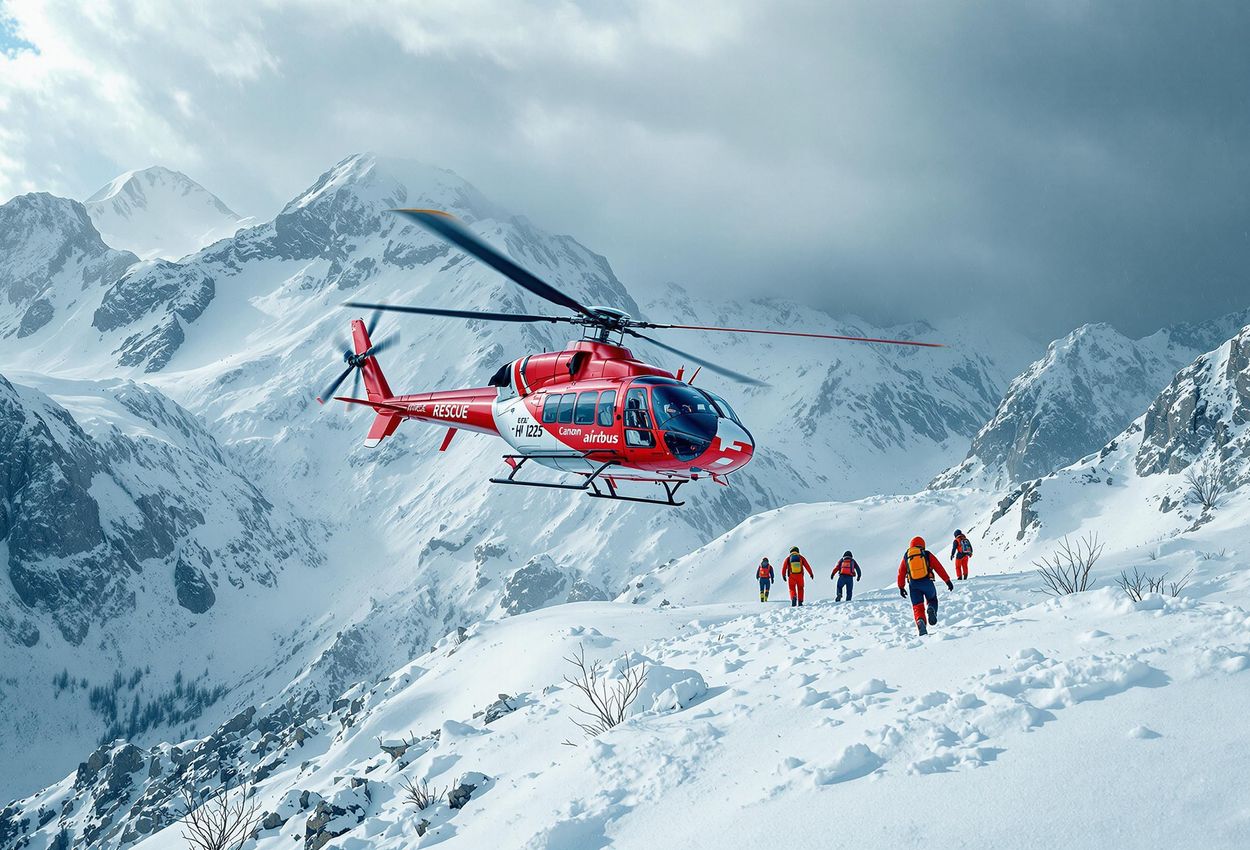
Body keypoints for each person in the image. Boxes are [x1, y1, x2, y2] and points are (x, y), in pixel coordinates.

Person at [896, 536, 953, 636]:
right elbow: (938, 567)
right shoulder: (926, 554)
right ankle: (931, 608)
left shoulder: (907, 556)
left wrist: (901, 587)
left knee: (917, 607)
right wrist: (947, 580)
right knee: (932, 599)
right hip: (927, 582)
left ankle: (920, 621)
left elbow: (901, 572)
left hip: (913, 585)